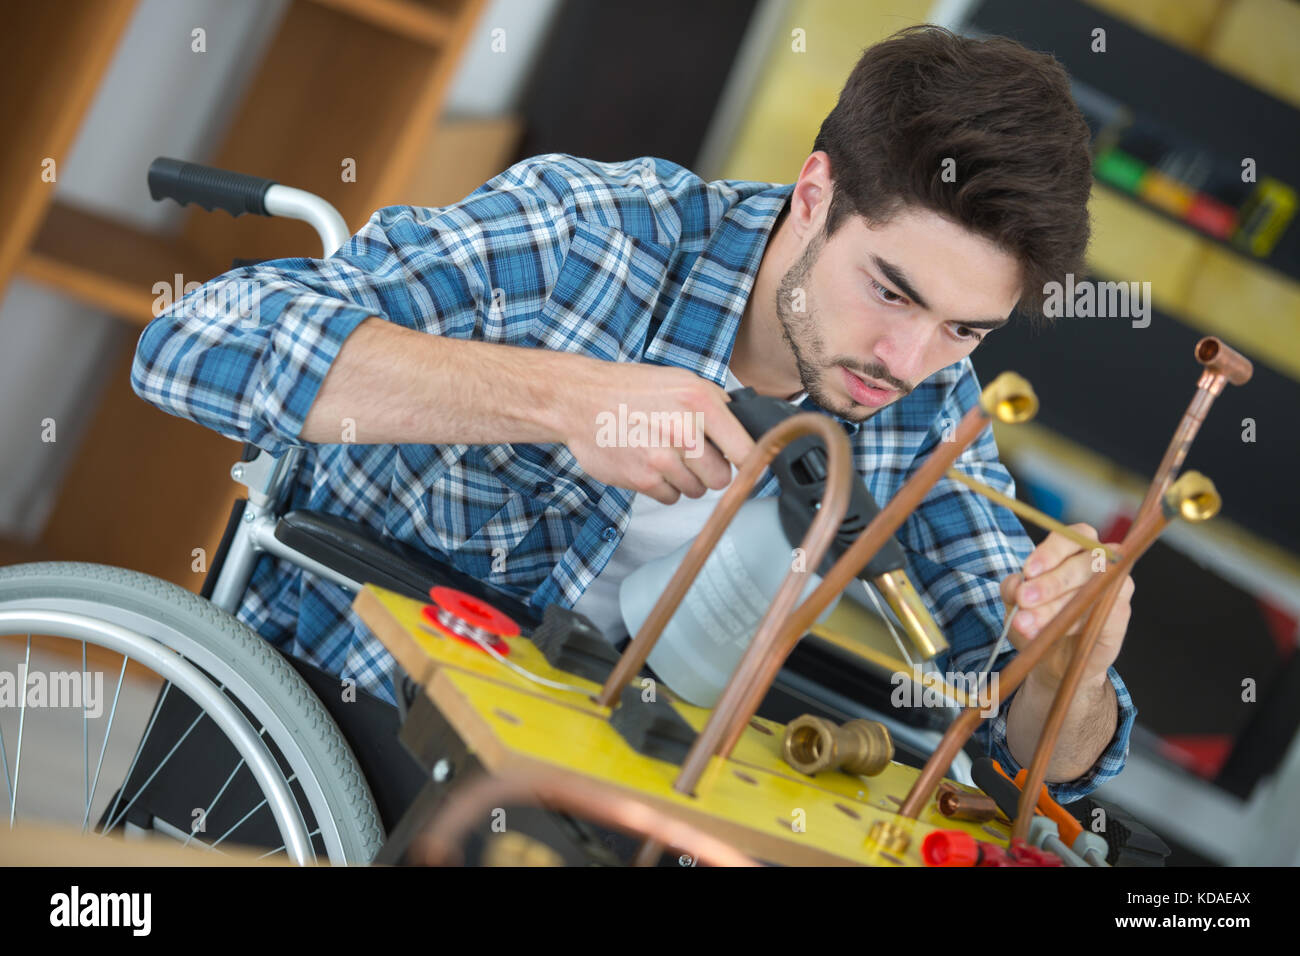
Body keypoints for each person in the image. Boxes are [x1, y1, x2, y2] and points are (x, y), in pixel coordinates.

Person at [132, 25, 1135, 804]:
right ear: (815, 193)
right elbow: (191, 342)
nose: (907, 363)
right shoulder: (596, 238)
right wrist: (562, 398)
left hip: (595, 777)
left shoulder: (924, 403)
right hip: (350, 721)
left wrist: (1071, 671)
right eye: (890, 291)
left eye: (965, 330)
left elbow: (1027, 738)